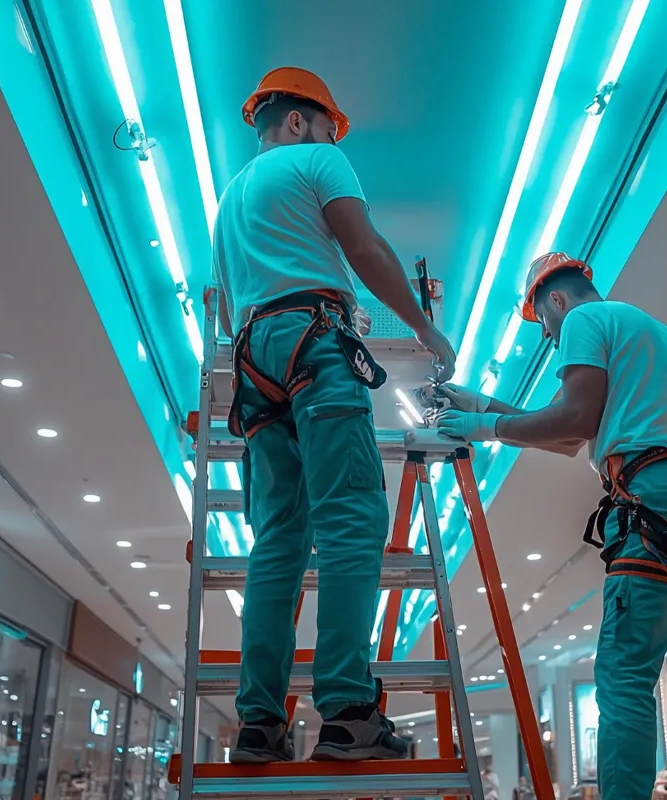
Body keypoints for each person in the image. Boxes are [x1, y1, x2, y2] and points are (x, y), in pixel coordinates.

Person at [435, 253, 667, 799]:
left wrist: (482, 426)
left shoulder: (584, 320)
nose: (547, 335)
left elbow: (576, 419)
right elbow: (570, 437)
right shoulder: (662, 336)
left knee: (624, 677)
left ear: (555, 299)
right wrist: (484, 406)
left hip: (655, 500)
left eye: (543, 322)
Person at [212, 67, 455, 763]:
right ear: (298, 121)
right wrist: (425, 331)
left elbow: (229, 313)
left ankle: (259, 725)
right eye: (325, 126)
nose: (330, 138)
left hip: (254, 362)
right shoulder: (319, 160)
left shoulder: (229, 199)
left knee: (278, 541)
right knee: (352, 519)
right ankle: (348, 712)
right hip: (315, 345)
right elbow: (364, 247)